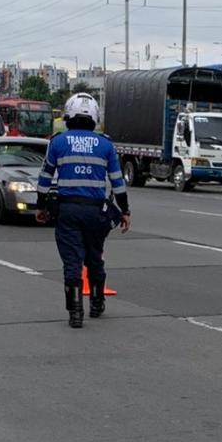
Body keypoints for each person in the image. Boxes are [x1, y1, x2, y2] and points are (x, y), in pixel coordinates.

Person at [36, 93, 131, 328]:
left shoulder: (57, 142)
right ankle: (97, 302)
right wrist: (125, 211)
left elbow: (45, 178)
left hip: (67, 211)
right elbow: (118, 182)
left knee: (72, 262)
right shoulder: (106, 144)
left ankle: (75, 312)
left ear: (68, 114)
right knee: (95, 258)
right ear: (95, 117)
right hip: (96, 212)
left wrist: (40, 205)